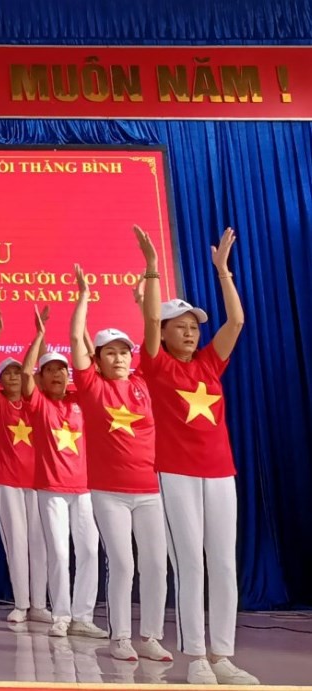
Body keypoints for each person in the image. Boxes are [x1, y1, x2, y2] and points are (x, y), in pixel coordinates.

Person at [137, 227, 256, 685]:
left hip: (220, 472)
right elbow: (149, 320)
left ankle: (223, 655)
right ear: (164, 333)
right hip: (175, 473)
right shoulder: (155, 364)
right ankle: (197, 657)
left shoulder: (209, 363)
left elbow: (236, 323)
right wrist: (152, 270)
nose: (189, 333)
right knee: (190, 563)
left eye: (193, 327)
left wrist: (223, 272)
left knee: (223, 563)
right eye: (180, 327)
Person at [68, 257, 171, 664]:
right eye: (110, 353)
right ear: (98, 359)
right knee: (123, 564)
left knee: (156, 565)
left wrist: (143, 298)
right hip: (109, 492)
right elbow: (76, 339)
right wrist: (83, 298)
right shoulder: (91, 386)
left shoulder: (144, 382)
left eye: (124, 352)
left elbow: (153, 333)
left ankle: (151, 637)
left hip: (150, 490)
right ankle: (120, 637)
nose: (120, 358)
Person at [20, 307, 106, 640]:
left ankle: (83, 616)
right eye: (50, 370)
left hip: (85, 489)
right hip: (51, 490)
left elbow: (96, 369)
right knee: (58, 552)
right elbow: (25, 373)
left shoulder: (81, 400)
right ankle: (61, 615)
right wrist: (39, 336)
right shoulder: (39, 404)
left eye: (62, 369)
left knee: (89, 551)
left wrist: (84, 332)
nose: (57, 374)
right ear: (42, 378)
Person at [0, 304, 52, 625]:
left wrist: (40, 334)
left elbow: (39, 367)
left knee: (40, 543)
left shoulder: (35, 402)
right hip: (8, 481)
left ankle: (39, 604)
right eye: (7, 373)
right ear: (0, 380)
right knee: (17, 543)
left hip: (38, 482)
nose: (13, 376)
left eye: (16, 372)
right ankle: (21, 604)